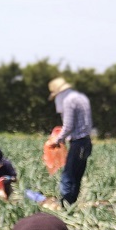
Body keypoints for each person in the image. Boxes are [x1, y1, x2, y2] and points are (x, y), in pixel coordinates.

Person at [47, 77, 93, 206]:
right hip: (86, 142)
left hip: (77, 143)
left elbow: (68, 126)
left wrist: (57, 139)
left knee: (68, 176)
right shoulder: (81, 97)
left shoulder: (68, 101)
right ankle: (71, 204)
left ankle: (64, 204)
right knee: (77, 175)